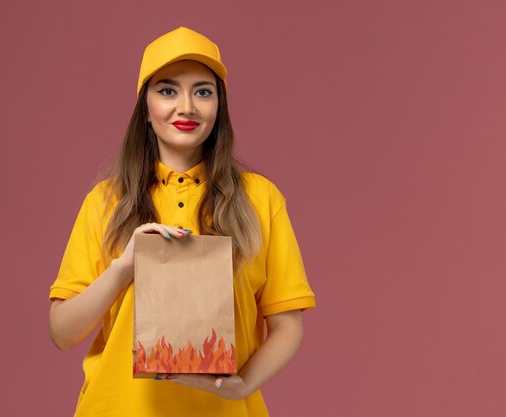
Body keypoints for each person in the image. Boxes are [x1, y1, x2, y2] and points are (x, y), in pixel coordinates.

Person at [49, 26, 316, 417]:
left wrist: (243, 384)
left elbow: (288, 325)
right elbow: (62, 332)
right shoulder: (106, 201)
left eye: (203, 92)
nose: (186, 106)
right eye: (168, 90)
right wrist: (124, 268)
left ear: (219, 107)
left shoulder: (261, 199)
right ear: (145, 108)